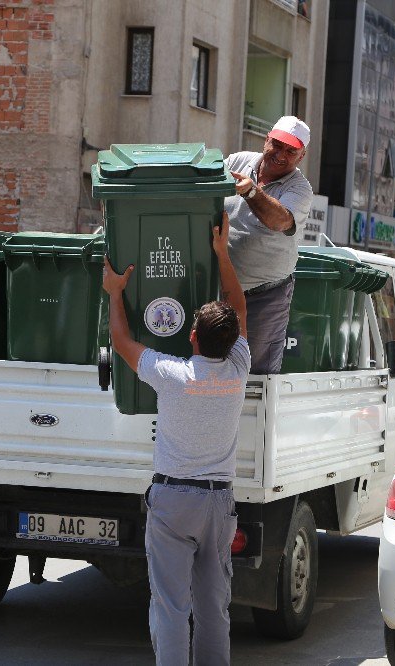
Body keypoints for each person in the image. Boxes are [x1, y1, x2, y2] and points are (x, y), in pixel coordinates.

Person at [102, 212, 250, 666]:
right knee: (213, 607)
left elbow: (120, 339)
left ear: (191, 337)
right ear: (231, 342)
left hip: (173, 501)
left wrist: (115, 293)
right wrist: (223, 254)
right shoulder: (239, 367)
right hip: (218, 503)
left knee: (170, 606)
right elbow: (239, 304)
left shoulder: (172, 375)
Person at [224, 115, 313, 374]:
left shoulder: (300, 189)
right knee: (210, 366)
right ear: (266, 140)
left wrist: (252, 192)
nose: (281, 155)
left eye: (291, 151)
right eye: (277, 145)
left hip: (263, 298)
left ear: (301, 156)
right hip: (219, 290)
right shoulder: (236, 161)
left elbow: (281, 220)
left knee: (255, 373)